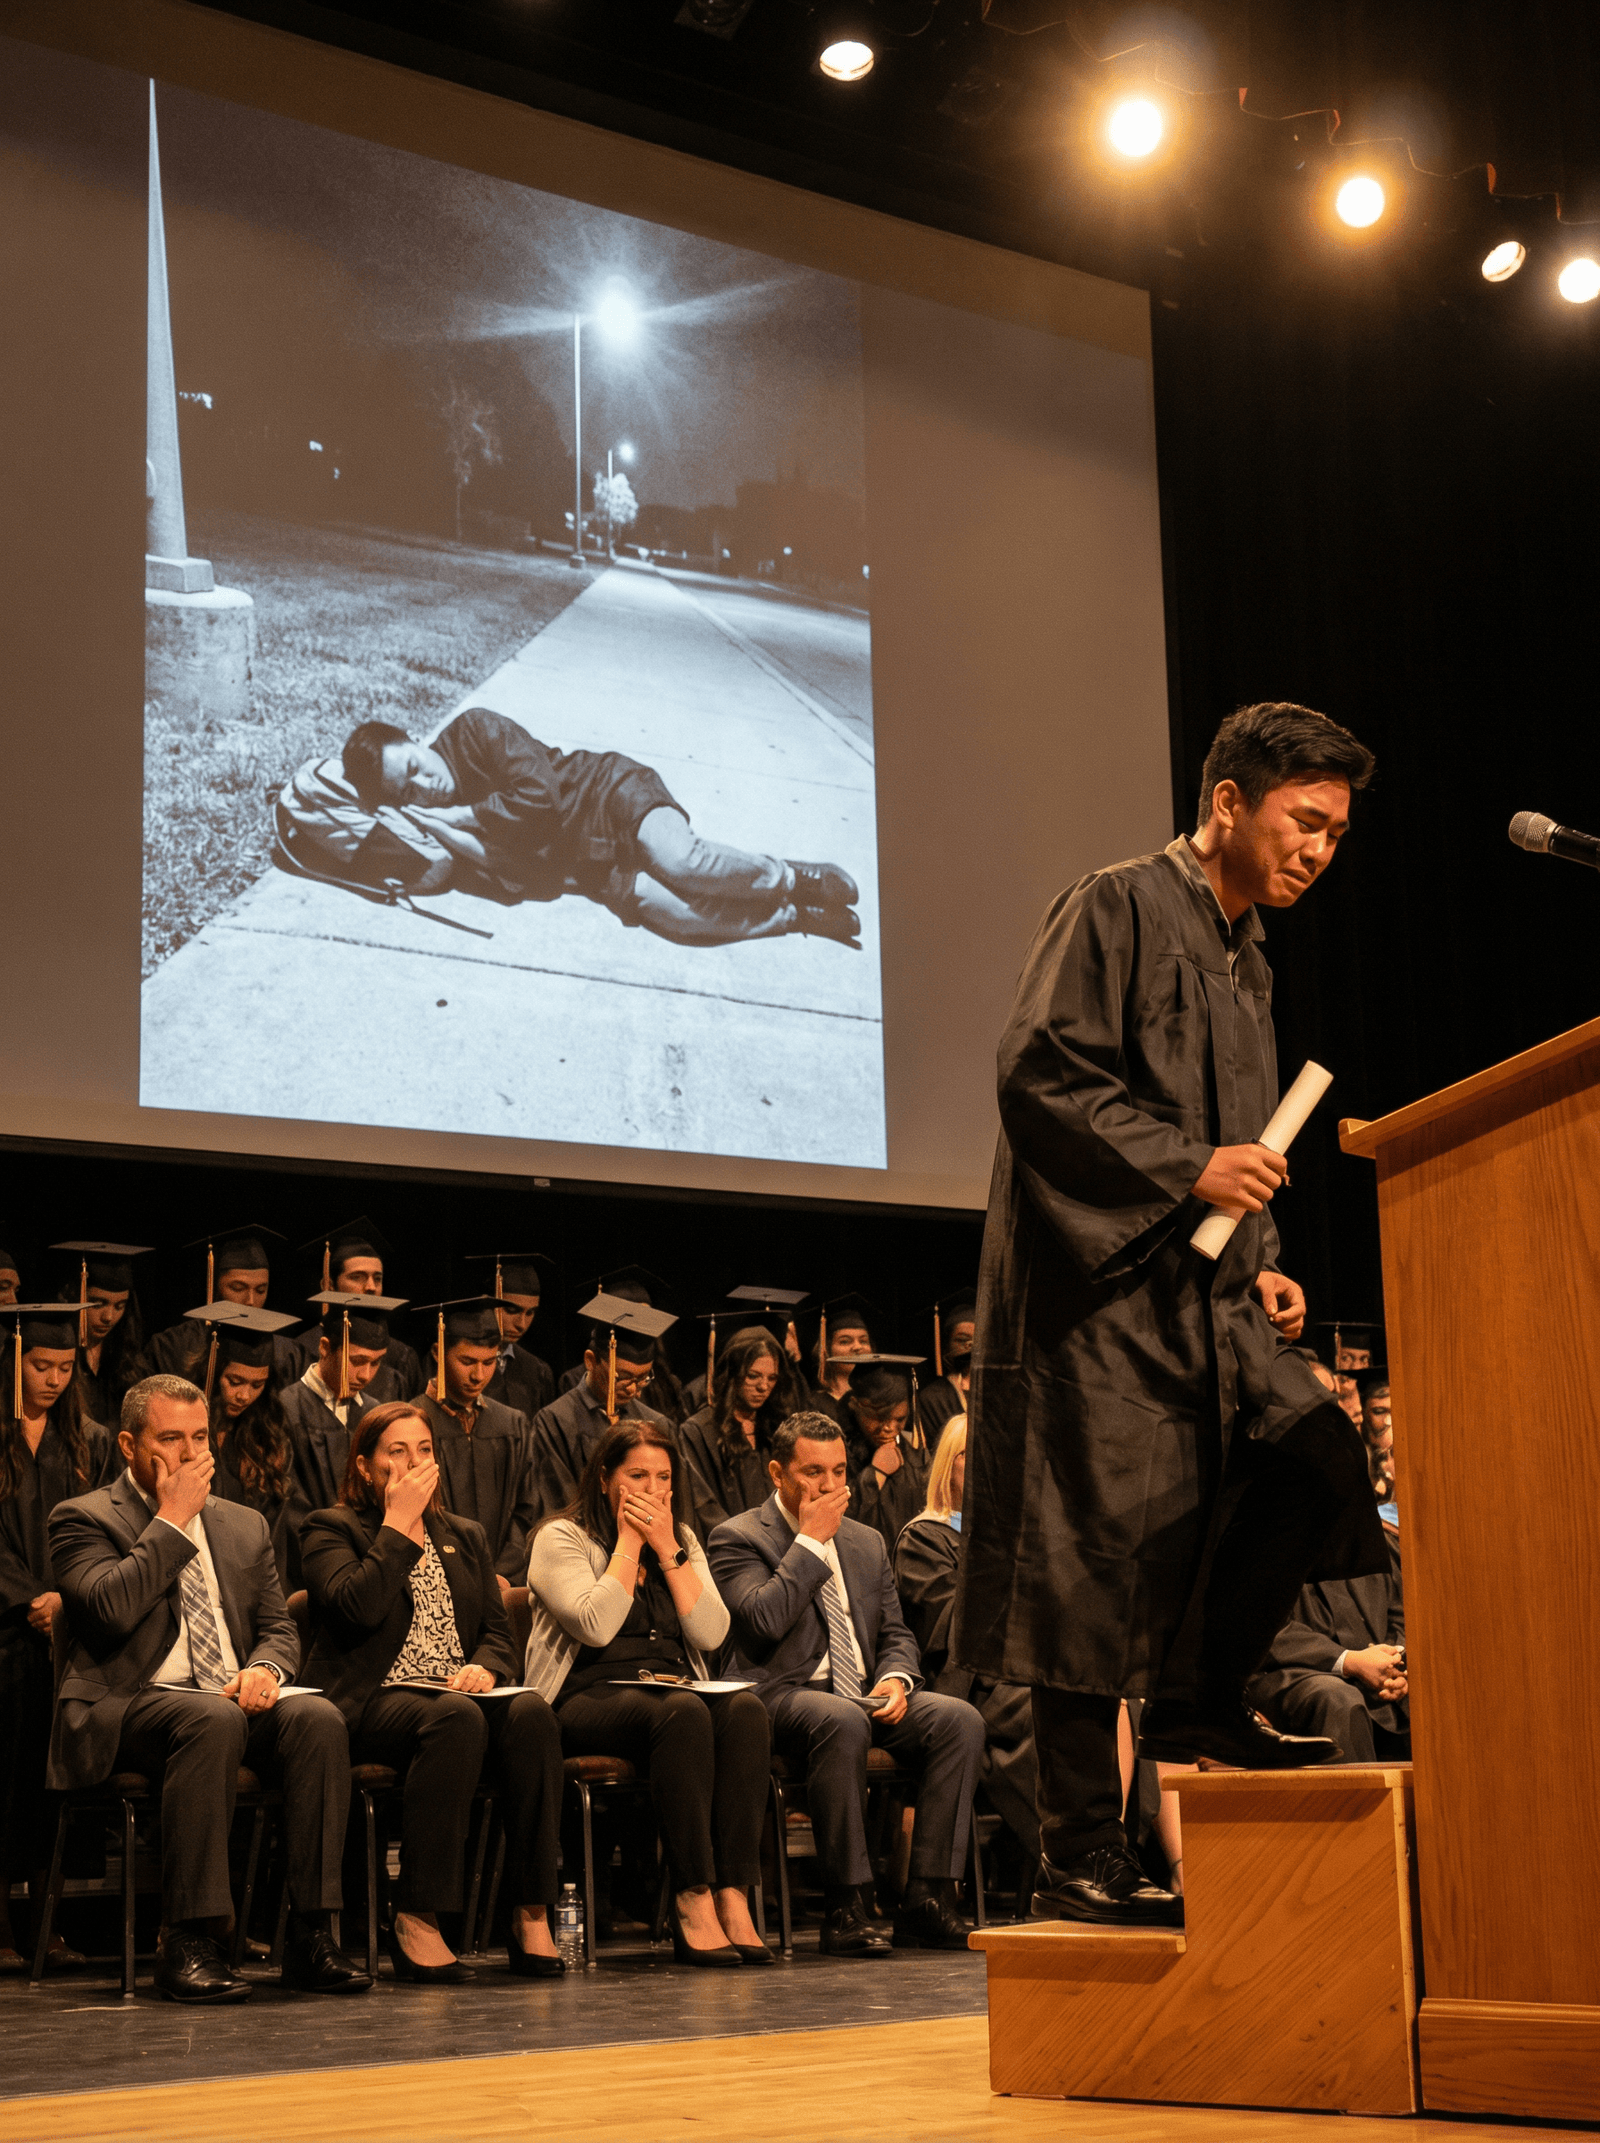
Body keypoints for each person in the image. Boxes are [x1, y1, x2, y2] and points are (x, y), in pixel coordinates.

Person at [954, 701, 1388, 1932]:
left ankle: (1200, 1697)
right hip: (1092, 1303)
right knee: (1088, 1570)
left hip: (1203, 1299)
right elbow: (1039, 1072)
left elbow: (1241, 1150)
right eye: (1304, 821)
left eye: (1335, 833)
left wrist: (1262, 1260)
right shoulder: (1116, 906)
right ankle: (1080, 1849)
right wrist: (1190, 1170)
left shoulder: (1247, 958)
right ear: (1227, 803)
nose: (1319, 849)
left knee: (1317, 1453)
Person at [47, 1374, 368, 2002]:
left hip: (227, 1695)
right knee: (211, 1722)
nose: (191, 1453)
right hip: (131, 1702)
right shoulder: (83, 1517)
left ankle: (311, 1933)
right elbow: (109, 1611)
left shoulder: (243, 1523)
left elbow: (278, 1626)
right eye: (171, 1439)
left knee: (318, 1720)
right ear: (129, 1446)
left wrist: (266, 1669)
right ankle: (189, 1939)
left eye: (200, 1437)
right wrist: (171, 1518)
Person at [301, 1403, 566, 1982]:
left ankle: (530, 1910)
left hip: (456, 1691)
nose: (413, 1462)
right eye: (396, 1452)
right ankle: (418, 1914)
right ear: (365, 1465)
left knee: (531, 1713)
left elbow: (497, 1632)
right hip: (375, 1698)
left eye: (423, 1450)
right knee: (455, 1718)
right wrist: (397, 1526)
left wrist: (486, 1668)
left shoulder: (464, 1535)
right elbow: (356, 1608)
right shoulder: (331, 1529)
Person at [710, 1413, 985, 1957]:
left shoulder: (866, 1541)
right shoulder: (738, 1537)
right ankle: (847, 1905)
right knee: (840, 1719)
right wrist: (810, 1541)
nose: (830, 1485)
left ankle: (928, 1899)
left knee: (959, 1720)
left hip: (861, 1692)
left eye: (839, 1471)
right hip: (779, 1696)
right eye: (813, 1472)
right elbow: (763, 1620)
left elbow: (895, 1632)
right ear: (778, 1474)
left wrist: (895, 1679)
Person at [525, 1418, 771, 1966]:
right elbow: (594, 1626)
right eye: (637, 1476)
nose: (652, 1490)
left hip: (668, 1692)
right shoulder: (560, 1537)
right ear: (605, 1478)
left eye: (663, 1478)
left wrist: (667, 1549)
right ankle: (692, 1896)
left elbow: (711, 1632)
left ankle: (733, 1894)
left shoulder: (680, 1539)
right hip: (585, 1695)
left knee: (745, 1710)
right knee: (682, 1712)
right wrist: (631, 1542)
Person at [322, 707, 861, 949]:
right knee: (673, 914)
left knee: (682, 863)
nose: (426, 787)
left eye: (414, 768)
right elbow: (517, 880)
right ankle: (795, 917)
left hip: (608, 794)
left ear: (414, 740)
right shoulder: (437, 820)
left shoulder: (474, 730)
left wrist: (465, 815)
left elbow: (542, 797)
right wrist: (439, 827)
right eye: (408, 793)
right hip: (590, 864)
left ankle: (794, 877)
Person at [0, 1305, 114, 1970]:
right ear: (13, 1362)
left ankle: (48, 1925)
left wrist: (68, 1597)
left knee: (54, 1784)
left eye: (64, 1367)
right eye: (40, 1365)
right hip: (6, 1636)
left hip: (68, 1635)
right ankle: (0, 1929)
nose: (52, 1379)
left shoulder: (90, 1440)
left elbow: (107, 1527)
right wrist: (27, 1598)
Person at [893, 1415, 1039, 1865]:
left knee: (1120, 1707)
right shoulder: (923, 1538)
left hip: (1023, 1673)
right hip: (972, 1685)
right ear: (946, 1465)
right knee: (1053, 1713)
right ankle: (1069, 1852)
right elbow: (951, 1625)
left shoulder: (1017, 1538)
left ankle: (1129, 1854)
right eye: (970, 1455)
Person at [1248, 1518, 1409, 1762]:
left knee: (1442, 1694)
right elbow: (1265, 1630)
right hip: (1287, 1673)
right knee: (1338, 1698)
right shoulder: (1262, 1542)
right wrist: (1349, 1661)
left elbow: (1402, 1614)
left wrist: (1396, 1666)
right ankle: (1355, 1790)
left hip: (1377, 1679)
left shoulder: (1373, 1541)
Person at [409, 1299, 539, 1590]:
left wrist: (501, 1574)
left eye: (489, 1362)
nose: (478, 1375)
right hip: (435, 1582)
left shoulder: (512, 1423)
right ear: (438, 1353)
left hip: (503, 1584)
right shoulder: (410, 1424)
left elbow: (527, 1509)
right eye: (467, 1362)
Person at [531, 1297, 674, 1521]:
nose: (633, 1389)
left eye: (643, 1378)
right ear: (590, 1361)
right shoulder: (555, 1421)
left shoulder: (655, 1423)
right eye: (623, 1377)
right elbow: (559, 1504)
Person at [200, 1309, 309, 1596]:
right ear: (213, 1371)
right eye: (234, 1381)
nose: (244, 1395)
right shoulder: (186, 1430)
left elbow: (273, 1531)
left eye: (257, 1385)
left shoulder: (269, 1439)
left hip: (249, 1579)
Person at [281, 1297, 401, 1517]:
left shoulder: (373, 1411)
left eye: (375, 1363)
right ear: (325, 1347)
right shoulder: (287, 1408)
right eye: (357, 1361)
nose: (366, 1375)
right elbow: (288, 1502)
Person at [279, 1219, 422, 1401]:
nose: (371, 1287)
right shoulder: (300, 1351)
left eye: (377, 1279)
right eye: (357, 1277)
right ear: (329, 1286)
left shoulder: (400, 1356)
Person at [677, 1329, 787, 1543]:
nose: (763, 1386)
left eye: (772, 1378)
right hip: (730, 1547)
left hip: (782, 1545)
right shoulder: (699, 1431)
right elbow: (703, 1505)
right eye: (753, 1376)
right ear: (732, 1373)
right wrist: (743, 1544)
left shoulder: (777, 1428)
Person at [146, 1225, 286, 1379]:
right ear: (214, 1287)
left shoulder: (288, 1354)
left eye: (260, 1290)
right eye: (238, 1288)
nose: (251, 1301)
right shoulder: (172, 1346)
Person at [837, 1357, 931, 1561]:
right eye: (880, 1418)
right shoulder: (838, 1451)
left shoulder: (913, 1454)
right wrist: (875, 1473)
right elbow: (837, 1521)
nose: (890, 1428)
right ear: (855, 1406)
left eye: (900, 1419)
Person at [53, 1244, 152, 1435]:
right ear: (75, 1296)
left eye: (119, 1306)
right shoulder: (59, 1354)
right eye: (98, 1304)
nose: (108, 1317)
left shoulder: (128, 1358)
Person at [467, 1255, 556, 1418]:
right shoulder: (461, 1362)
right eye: (511, 1310)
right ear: (489, 1304)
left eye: (530, 1313)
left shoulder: (538, 1370)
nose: (521, 1324)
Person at [917, 1294, 975, 1443]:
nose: (970, 1346)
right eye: (962, 1339)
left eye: (978, 1340)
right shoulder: (932, 1397)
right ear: (947, 1345)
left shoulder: (999, 1390)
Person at [808, 1295, 875, 1423]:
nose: (857, 1347)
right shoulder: (813, 1404)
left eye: (863, 1341)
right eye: (845, 1341)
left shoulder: (881, 1398)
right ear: (827, 1349)